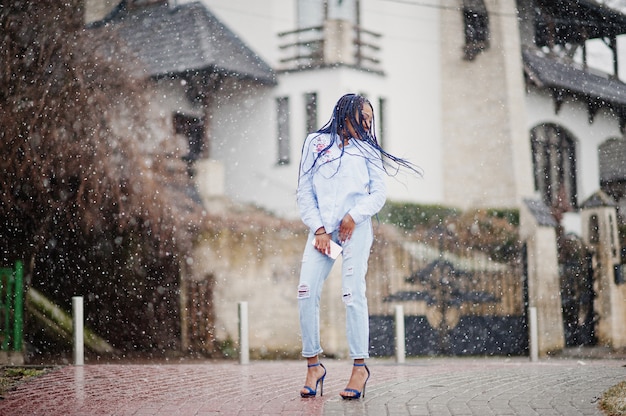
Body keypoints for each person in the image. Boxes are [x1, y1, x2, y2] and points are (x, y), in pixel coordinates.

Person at [296, 93, 419, 400]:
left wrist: (353, 216)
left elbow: (378, 194)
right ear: (345, 114)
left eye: (370, 118)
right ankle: (314, 365)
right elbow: (304, 191)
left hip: (355, 230)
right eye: (362, 116)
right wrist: (320, 229)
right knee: (306, 291)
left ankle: (359, 367)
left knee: (352, 294)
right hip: (324, 233)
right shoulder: (316, 144)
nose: (367, 123)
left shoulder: (368, 150)